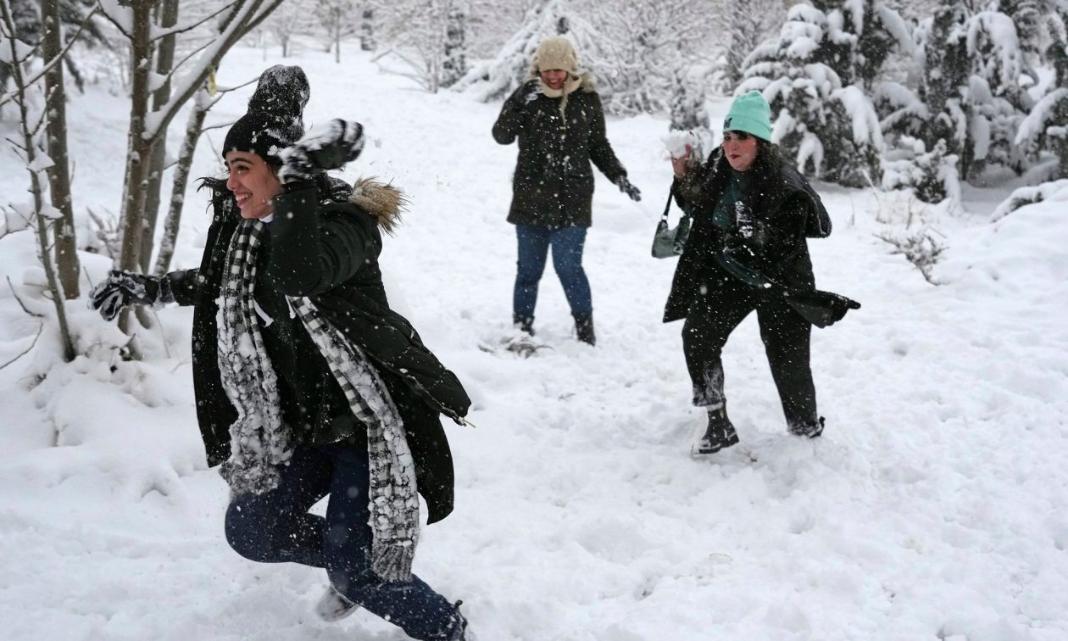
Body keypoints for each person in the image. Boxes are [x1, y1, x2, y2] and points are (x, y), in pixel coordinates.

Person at [89, 66, 474, 641]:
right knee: (253, 528)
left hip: (369, 428)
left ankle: (445, 626)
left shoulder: (347, 225)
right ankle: (355, 566)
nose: (232, 183)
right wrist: (154, 288)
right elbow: (221, 283)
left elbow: (300, 273)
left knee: (360, 570)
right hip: (306, 429)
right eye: (229, 169)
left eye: (243, 169)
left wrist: (297, 182)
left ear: (281, 171)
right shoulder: (247, 232)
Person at [665, 90, 855, 456]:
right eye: (728, 137)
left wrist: (749, 240)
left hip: (781, 282)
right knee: (698, 334)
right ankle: (718, 424)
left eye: (742, 138)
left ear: (760, 142)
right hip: (730, 278)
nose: (733, 146)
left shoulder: (783, 184)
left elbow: (790, 242)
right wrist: (683, 176)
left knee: (788, 361)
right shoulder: (721, 166)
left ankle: (805, 434)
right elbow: (698, 204)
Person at [492, 36, 641, 346]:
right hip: (530, 198)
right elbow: (501, 135)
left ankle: (585, 329)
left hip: (572, 200)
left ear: (570, 69)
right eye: (547, 70)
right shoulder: (529, 98)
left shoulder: (587, 99)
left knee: (568, 268)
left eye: (559, 70)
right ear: (538, 69)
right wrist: (518, 101)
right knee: (528, 271)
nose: (553, 76)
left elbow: (598, 145)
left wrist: (619, 175)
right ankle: (522, 327)